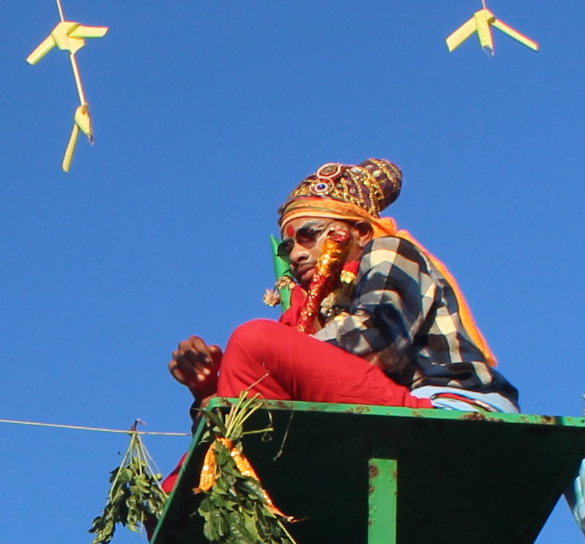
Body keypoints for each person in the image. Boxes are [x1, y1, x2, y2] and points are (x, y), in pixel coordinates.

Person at [168, 158, 517, 414]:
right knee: (176, 488)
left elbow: (378, 339)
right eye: (289, 247)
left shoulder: (388, 249)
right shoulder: (305, 308)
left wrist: (280, 357)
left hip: (448, 406)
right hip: (378, 415)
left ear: (361, 232)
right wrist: (209, 385)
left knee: (254, 340)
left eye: (310, 236)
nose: (297, 255)